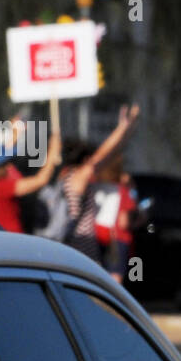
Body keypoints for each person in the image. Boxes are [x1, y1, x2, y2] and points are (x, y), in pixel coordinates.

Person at [59, 105, 140, 264]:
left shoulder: (69, 177)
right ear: (84, 160)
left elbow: (112, 153)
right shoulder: (77, 177)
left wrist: (129, 128)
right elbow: (103, 153)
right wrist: (122, 127)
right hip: (79, 250)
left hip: (83, 249)